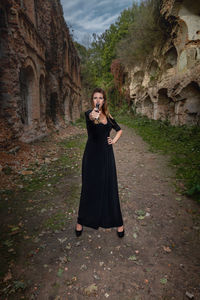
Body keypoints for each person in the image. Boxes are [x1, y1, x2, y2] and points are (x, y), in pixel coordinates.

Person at [75, 87, 124, 238]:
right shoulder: (89, 114)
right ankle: (81, 221)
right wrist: (93, 116)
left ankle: (118, 222)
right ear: (92, 100)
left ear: (104, 100)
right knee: (89, 187)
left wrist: (113, 140)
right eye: (95, 98)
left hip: (107, 156)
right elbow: (92, 119)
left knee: (110, 186)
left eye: (100, 98)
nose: (98, 100)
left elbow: (119, 129)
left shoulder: (108, 115)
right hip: (91, 156)